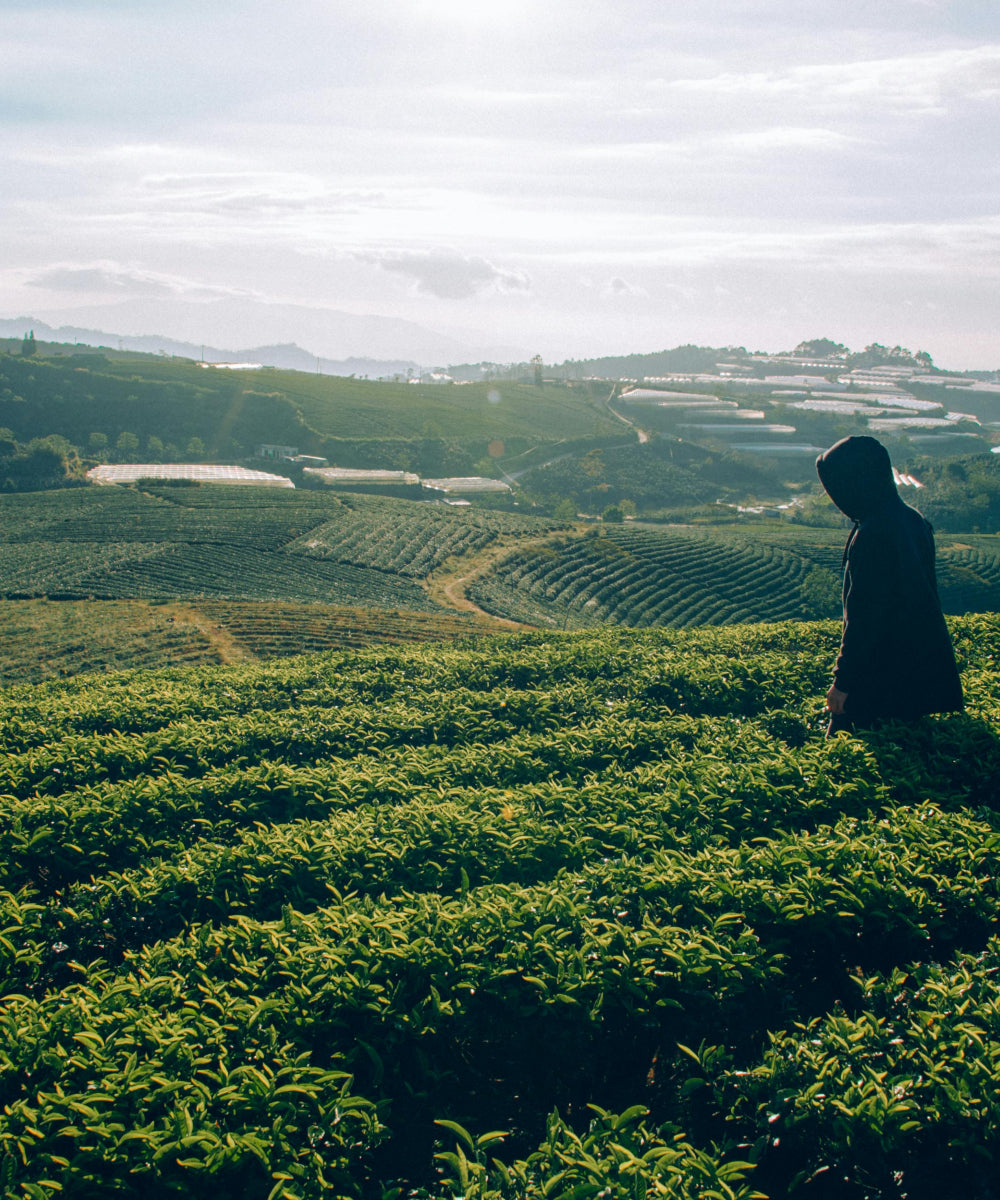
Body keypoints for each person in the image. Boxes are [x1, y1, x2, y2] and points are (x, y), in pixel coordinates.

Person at [815, 435, 963, 735]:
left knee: (848, 759)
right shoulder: (912, 520)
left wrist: (842, 684)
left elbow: (864, 618)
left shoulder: (872, 534)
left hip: (877, 681)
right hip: (914, 677)